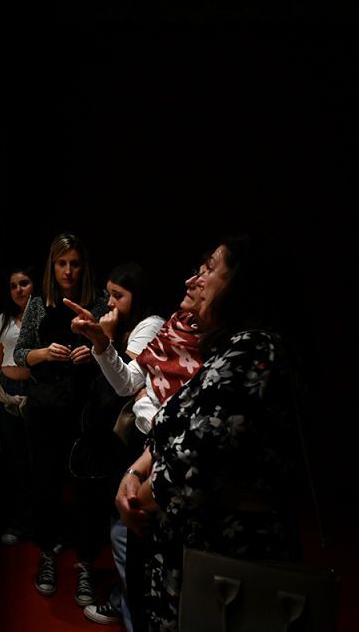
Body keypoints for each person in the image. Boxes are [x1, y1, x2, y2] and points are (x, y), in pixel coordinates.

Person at [117, 236, 296, 630]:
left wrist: (137, 496)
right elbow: (174, 426)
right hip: (191, 551)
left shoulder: (255, 350)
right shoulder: (226, 349)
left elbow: (197, 457)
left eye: (209, 269)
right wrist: (133, 474)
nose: (191, 281)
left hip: (223, 562)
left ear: (241, 283)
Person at [67, 264, 206, 629]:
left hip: (171, 456)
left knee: (155, 567)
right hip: (146, 449)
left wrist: (150, 400)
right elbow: (131, 383)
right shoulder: (177, 325)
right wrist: (101, 341)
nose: (191, 279)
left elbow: (176, 409)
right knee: (131, 549)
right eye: (195, 270)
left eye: (208, 271)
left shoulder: (211, 340)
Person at [13, 233, 98, 601]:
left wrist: (93, 354)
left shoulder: (98, 301)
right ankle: (47, 553)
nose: (68, 270)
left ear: (83, 266)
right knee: (44, 482)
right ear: (52, 265)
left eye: (74, 263)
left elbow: (116, 351)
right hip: (45, 406)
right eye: (62, 263)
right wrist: (46, 353)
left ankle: (86, 564)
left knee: (86, 488)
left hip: (84, 409)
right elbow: (20, 355)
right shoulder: (37, 304)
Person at [0, 266, 37, 544]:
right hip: (7, 392)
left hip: (35, 392)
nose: (19, 290)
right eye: (13, 286)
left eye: (24, 283)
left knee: (37, 460)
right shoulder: (4, 320)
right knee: (14, 460)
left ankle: (40, 524)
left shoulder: (44, 317)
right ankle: (18, 523)